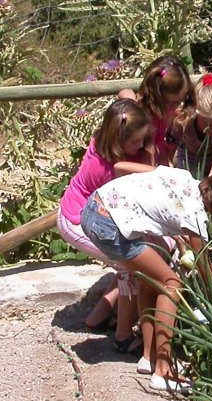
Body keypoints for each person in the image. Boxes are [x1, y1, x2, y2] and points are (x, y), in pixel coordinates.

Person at [81, 166, 212, 394]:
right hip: (109, 223)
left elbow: (136, 173)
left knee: (151, 281)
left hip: (94, 208)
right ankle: (164, 370)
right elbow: (206, 275)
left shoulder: (184, 178)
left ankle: (149, 357)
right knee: (172, 284)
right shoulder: (196, 215)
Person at [56, 99, 156, 353]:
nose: (140, 146)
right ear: (119, 140)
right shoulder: (109, 171)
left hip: (88, 214)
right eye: (135, 142)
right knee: (130, 262)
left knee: (130, 261)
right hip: (77, 221)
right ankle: (123, 336)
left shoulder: (104, 140)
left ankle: (98, 317)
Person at [120, 56, 193, 166]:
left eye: (182, 99)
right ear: (155, 97)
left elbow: (160, 146)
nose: (176, 107)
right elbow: (148, 155)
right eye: (170, 103)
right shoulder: (142, 116)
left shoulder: (161, 113)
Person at [168, 74, 212, 178]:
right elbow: (171, 144)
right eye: (209, 124)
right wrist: (168, 164)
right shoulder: (184, 121)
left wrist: (209, 181)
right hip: (187, 165)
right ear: (197, 113)